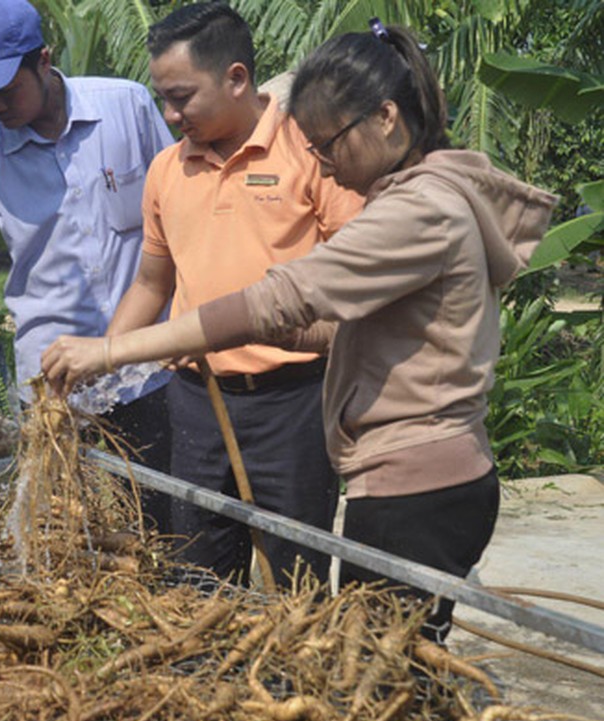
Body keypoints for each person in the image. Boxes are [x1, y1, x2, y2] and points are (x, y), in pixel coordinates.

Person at [42, 20, 557, 641]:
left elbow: (283, 299)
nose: (326, 167)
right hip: (377, 464)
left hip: (409, 475)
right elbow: (332, 319)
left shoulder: (418, 211)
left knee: (373, 666)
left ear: (387, 118)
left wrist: (112, 352)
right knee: (375, 661)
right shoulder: (420, 195)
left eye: (329, 145)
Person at [84, 3, 366, 586]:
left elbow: (358, 283)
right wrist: (101, 358)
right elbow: (151, 283)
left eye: (182, 96)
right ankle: (204, 675)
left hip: (296, 401)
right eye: (162, 97)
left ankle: (293, 677)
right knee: (197, 573)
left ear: (237, 78)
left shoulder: (313, 154)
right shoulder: (166, 171)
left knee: (296, 574)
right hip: (196, 400)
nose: (169, 114)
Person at [0, 0, 176, 531]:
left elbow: (179, 214)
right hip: (53, 388)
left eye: (6, 87)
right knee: (62, 531)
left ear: (43, 60)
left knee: (160, 523)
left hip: (145, 370)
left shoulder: (128, 108)